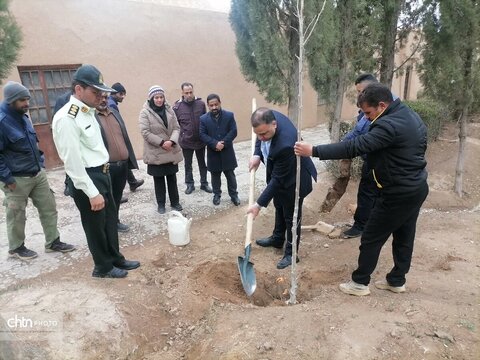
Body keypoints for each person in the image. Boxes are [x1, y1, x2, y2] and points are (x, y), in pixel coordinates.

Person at [294, 83, 429, 296]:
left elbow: (355, 146)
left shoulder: (388, 126)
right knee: (404, 235)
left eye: (368, 112)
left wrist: (314, 150)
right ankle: (396, 280)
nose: (365, 118)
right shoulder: (409, 115)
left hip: (396, 193)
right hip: (416, 187)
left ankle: (359, 283)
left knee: (371, 237)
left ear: (382, 105)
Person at [52, 64, 140, 278]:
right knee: (95, 226)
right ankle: (103, 267)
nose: (100, 96)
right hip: (87, 178)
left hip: (103, 172)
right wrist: (91, 192)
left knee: (110, 219)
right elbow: (72, 163)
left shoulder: (89, 112)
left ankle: (115, 258)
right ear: (78, 89)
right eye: (95, 91)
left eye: (102, 92)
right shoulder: (67, 118)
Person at [0, 81, 75, 259]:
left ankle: (53, 242)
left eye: (27, 99)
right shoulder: (2, 121)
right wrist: (7, 179)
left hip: (37, 173)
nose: (27, 103)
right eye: (22, 100)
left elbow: (32, 143)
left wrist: (40, 163)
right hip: (16, 179)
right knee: (16, 215)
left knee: (49, 208)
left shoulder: (23, 116)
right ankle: (16, 248)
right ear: (11, 101)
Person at [247, 108, 317, 269]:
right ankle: (278, 238)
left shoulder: (285, 144)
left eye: (264, 134)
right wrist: (257, 154)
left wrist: (258, 205)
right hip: (281, 175)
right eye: (257, 134)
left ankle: (292, 254)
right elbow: (260, 135)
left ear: (274, 125)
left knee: (291, 216)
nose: (261, 138)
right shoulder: (267, 119)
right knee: (279, 205)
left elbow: (278, 179)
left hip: (295, 181)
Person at [341, 73, 380, 239]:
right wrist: (341, 146)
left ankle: (362, 227)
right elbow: (357, 131)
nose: (359, 95)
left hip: (379, 163)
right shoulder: (366, 111)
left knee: (370, 195)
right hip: (369, 161)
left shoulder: (382, 110)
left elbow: (363, 137)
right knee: (366, 194)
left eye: (361, 91)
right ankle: (364, 224)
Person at [96, 93, 140, 232]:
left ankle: (115, 221)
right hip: (106, 167)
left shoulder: (114, 113)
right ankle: (104, 225)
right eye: (100, 97)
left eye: (105, 97)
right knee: (105, 198)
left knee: (117, 196)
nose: (103, 100)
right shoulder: (91, 116)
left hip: (122, 165)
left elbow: (124, 136)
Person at [139, 85, 183, 214]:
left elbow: (176, 127)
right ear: (151, 98)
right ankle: (161, 204)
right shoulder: (145, 112)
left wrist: (172, 141)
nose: (159, 100)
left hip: (170, 149)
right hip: (156, 152)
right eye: (156, 97)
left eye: (161, 97)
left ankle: (175, 202)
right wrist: (162, 142)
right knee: (158, 180)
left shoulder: (169, 110)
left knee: (172, 178)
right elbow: (145, 132)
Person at [199, 94, 240, 206]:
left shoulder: (229, 115)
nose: (214, 107)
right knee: (215, 175)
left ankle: (234, 195)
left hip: (227, 151)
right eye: (211, 105)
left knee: (230, 175)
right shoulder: (203, 119)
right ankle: (216, 195)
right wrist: (215, 144)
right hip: (213, 152)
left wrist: (224, 143)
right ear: (208, 105)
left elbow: (233, 131)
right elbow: (202, 134)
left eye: (216, 104)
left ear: (220, 103)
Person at [173, 82, 212, 195]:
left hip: (200, 140)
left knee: (202, 163)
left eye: (191, 92)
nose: (189, 95)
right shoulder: (177, 107)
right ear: (182, 93)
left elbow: (205, 120)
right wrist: (181, 137)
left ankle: (204, 183)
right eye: (186, 93)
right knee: (188, 164)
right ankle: (190, 185)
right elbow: (176, 125)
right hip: (186, 142)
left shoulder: (200, 104)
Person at [108, 82, 145, 194]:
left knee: (124, 159)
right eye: (121, 94)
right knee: (121, 161)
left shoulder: (111, 102)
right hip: (115, 139)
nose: (123, 97)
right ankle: (115, 194)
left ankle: (132, 182)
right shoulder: (111, 104)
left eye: (124, 94)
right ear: (114, 93)